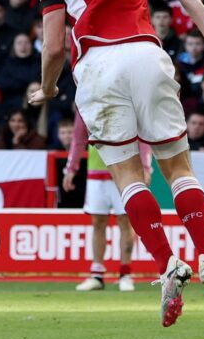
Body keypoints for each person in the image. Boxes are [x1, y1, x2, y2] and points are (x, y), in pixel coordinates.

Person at [30, 0, 204, 327]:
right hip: (149, 56)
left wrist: (48, 88)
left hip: (101, 63)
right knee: (178, 169)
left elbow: (53, 47)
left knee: (127, 175)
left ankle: (168, 264)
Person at [64, 110, 153, 292]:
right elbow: (79, 137)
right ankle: (97, 274)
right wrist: (71, 168)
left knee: (125, 221)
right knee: (98, 222)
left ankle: (125, 274)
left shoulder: (125, 95)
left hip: (126, 169)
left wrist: (145, 166)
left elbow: (142, 133)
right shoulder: (85, 98)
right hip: (96, 171)